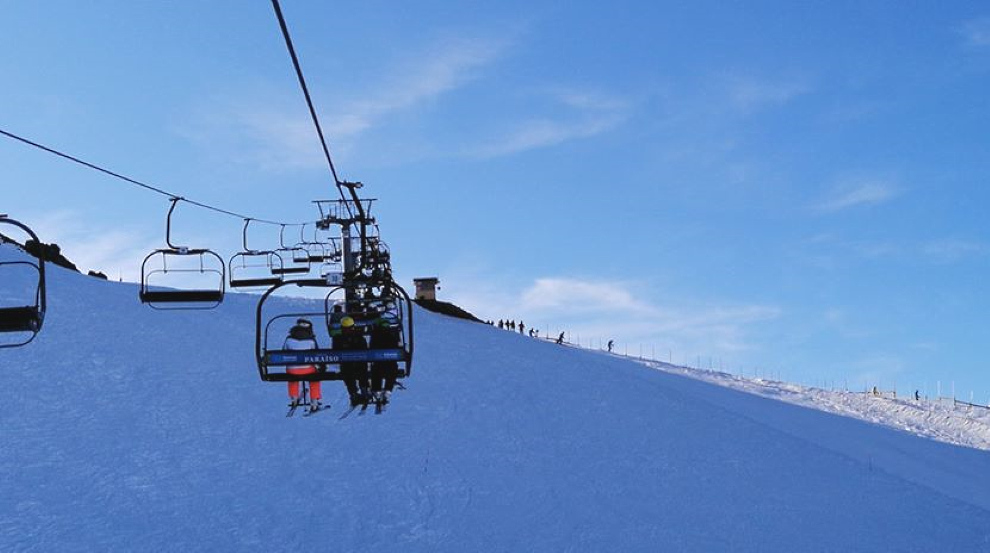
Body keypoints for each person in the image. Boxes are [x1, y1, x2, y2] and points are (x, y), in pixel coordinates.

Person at [283, 318, 323, 412]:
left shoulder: (289, 339)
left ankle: (294, 397)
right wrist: (320, 367)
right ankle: (314, 400)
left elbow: (284, 352)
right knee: (314, 377)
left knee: (292, 375)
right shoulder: (311, 340)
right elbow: (316, 355)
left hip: (292, 369)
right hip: (308, 369)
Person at [334, 316, 370, 406]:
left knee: (347, 372)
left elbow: (335, 352)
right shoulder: (359, 337)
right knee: (363, 369)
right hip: (359, 364)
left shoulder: (338, 338)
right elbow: (365, 350)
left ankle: (353, 393)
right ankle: (364, 389)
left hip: (346, 365)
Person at [370, 317, 401, 404]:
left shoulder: (376, 333)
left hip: (379, 359)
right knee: (392, 368)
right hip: (390, 359)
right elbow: (397, 346)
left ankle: (377, 389)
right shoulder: (393, 333)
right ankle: (388, 389)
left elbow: (372, 347)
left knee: (376, 369)